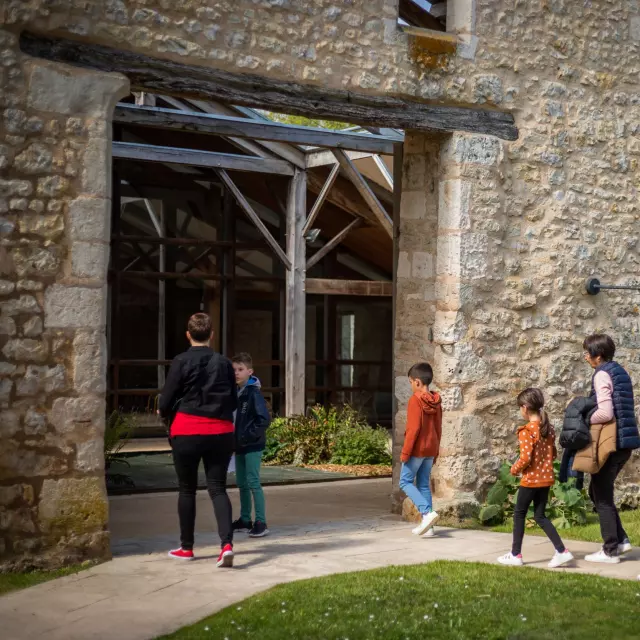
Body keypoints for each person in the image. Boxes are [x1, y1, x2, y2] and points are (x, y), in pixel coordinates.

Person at [158, 313, 237, 568]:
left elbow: (166, 400)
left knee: (187, 489)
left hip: (187, 430)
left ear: (188, 334)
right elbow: (233, 400)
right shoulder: (224, 362)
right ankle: (226, 545)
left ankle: (187, 547)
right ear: (212, 334)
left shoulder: (181, 361)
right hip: (221, 432)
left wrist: (164, 412)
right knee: (218, 488)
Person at [498, 388, 574, 568]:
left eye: (519, 408)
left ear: (524, 408)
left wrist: (514, 470)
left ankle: (516, 555)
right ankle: (561, 551)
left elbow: (525, 457)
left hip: (531, 480)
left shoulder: (526, 431)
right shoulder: (548, 429)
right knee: (540, 516)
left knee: (519, 514)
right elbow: (553, 454)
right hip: (546, 479)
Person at [582, 334, 640, 564]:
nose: (585, 356)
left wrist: (586, 418)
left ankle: (610, 550)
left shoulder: (602, 374)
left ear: (598, 356)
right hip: (624, 443)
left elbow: (605, 413)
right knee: (597, 492)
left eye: (587, 352)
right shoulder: (620, 371)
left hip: (610, 443)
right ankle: (622, 540)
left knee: (602, 496)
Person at [399, 362, 442, 537]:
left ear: (417, 382)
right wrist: (436, 451)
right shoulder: (436, 401)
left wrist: (405, 452)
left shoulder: (415, 400)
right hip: (431, 449)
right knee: (423, 484)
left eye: (410, 382)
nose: (410, 386)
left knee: (405, 481)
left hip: (416, 450)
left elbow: (413, 429)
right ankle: (429, 527)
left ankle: (426, 513)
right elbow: (439, 428)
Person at [231, 353, 271, 538]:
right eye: (234, 370)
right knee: (242, 483)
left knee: (253, 482)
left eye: (240, 370)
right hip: (239, 445)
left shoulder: (253, 393)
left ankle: (261, 522)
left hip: (252, 445)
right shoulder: (236, 392)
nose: (236, 373)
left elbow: (263, 419)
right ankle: (245, 519)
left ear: (250, 371)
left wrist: (247, 436)